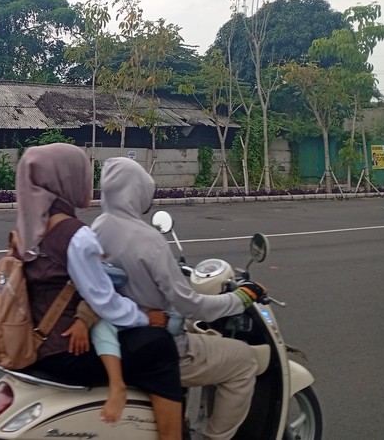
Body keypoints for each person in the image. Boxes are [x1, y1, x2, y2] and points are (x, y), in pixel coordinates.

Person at [15, 143, 183, 439]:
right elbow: (105, 302)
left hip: (39, 345)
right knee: (161, 347)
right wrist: (147, 318)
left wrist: (83, 319)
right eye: (82, 174)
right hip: (67, 353)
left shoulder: (31, 228)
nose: (89, 183)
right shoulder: (76, 235)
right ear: (65, 180)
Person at [92, 156, 267, 440]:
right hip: (159, 346)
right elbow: (191, 305)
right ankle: (214, 436)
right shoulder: (149, 241)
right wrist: (242, 298)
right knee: (244, 360)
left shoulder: (97, 228)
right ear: (138, 192)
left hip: (118, 340)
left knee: (200, 335)